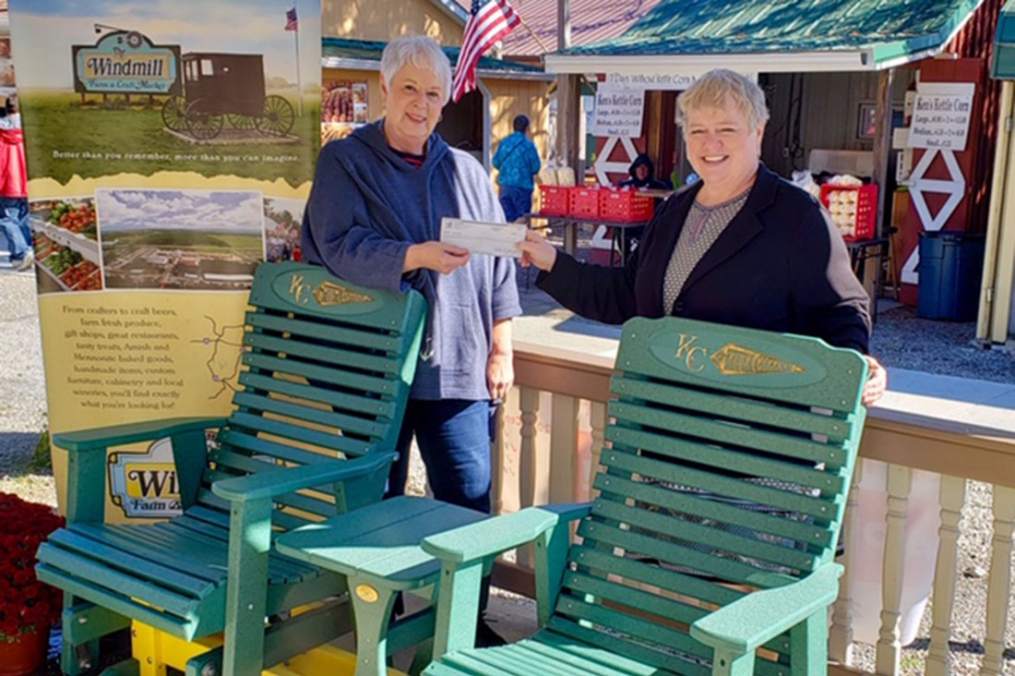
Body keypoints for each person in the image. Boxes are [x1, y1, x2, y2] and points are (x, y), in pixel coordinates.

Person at [519, 69, 886, 405]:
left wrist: (857, 361)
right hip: (662, 428)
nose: (711, 144)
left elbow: (842, 311)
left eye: (726, 129)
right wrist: (552, 261)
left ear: (757, 132)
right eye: (697, 131)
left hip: (753, 439)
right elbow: (626, 294)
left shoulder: (796, 216)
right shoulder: (674, 210)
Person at [301, 35, 521, 512]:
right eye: (409, 89)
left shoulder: (468, 173)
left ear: (444, 102)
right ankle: (384, 593)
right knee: (375, 505)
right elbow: (337, 246)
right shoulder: (344, 162)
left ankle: (464, 592)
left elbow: (500, 267)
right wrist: (416, 256)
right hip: (372, 368)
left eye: (432, 94)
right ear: (384, 87)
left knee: (467, 502)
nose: (420, 105)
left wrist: (502, 348)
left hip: (459, 368)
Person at [0, 96, 31, 271]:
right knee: (22, 220)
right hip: (27, 183)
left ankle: (21, 252)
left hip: (6, 184)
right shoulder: (30, 131)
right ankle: (22, 254)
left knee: (6, 220)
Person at [493, 114, 540, 222]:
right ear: (527, 129)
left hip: (505, 186)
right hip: (523, 187)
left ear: (513, 126)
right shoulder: (529, 145)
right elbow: (536, 167)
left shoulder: (505, 143)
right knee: (522, 218)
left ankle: (508, 238)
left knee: (507, 217)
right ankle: (518, 237)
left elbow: (495, 162)